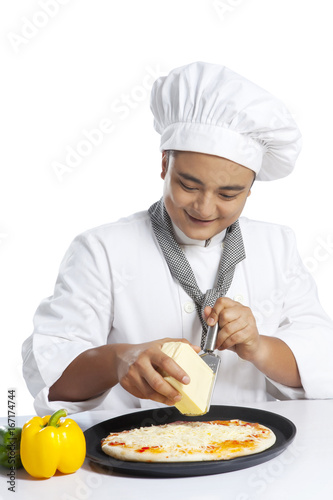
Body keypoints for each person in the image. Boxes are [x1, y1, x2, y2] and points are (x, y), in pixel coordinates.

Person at [22, 62, 333, 416]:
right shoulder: (102, 250)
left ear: (250, 190)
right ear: (164, 164)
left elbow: (323, 364)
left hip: (247, 448)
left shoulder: (277, 247)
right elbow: (50, 374)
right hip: (136, 451)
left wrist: (258, 347)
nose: (204, 207)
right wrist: (119, 359)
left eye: (228, 194)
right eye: (188, 185)